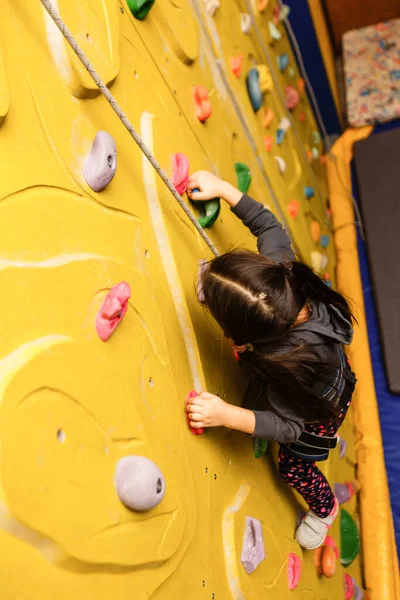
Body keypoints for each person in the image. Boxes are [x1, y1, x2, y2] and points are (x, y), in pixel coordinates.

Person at [186, 171, 356, 550]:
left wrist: (226, 415)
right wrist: (224, 189)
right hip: (328, 376)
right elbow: (268, 224)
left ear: (249, 336)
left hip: (316, 407)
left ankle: (325, 509)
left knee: (293, 464)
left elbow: (289, 429)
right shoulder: (281, 276)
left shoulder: (288, 366)